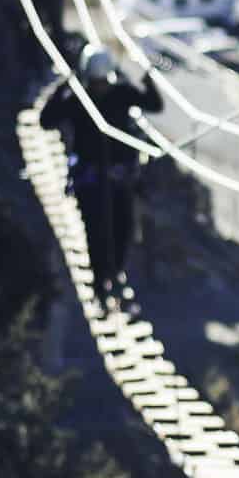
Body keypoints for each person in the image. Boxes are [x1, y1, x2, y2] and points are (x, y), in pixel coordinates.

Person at [41, 42, 164, 303]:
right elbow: (45, 120)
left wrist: (146, 78)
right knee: (99, 232)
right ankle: (102, 282)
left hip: (112, 180)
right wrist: (65, 85)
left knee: (119, 230)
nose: (99, 86)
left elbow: (153, 104)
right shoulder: (84, 99)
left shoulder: (108, 95)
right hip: (97, 180)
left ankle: (111, 276)